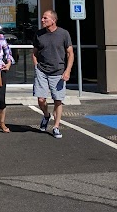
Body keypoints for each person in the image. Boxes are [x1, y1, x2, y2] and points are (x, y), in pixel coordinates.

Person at [32, 9, 73, 139]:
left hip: (58, 72)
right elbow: (34, 53)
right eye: (42, 18)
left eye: (45, 18)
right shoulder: (39, 34)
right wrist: (36, 66)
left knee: (58, 100)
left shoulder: (63, 34)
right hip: (42, 71)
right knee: (41, 99)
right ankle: (46, 115)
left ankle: (56, 127)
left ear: (53, 20)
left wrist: (67, 71)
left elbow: (70, 53)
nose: (42, 20)